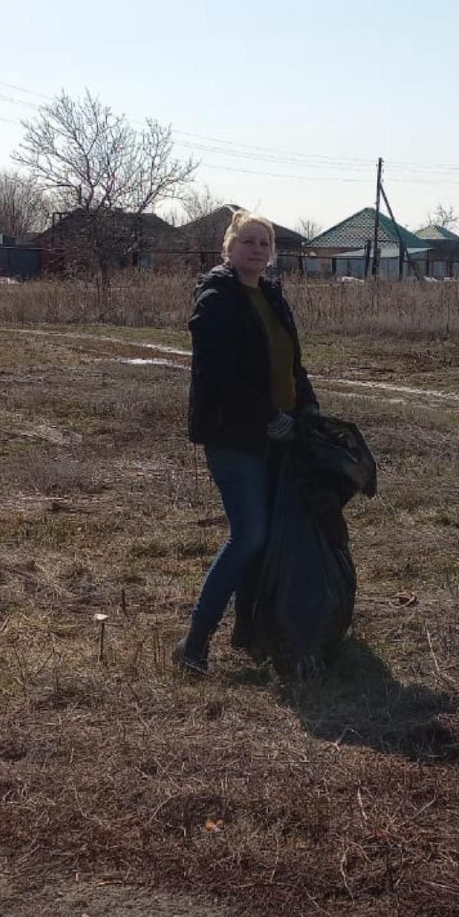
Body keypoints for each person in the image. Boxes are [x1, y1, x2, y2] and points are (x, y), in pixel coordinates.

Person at [172, 211, 318, 677]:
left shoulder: (271, 295)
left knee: (269, 536)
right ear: (229, 247)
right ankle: (194, 642)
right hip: (233, 435)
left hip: (280, 433)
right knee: (249, 535)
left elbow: (292, 363)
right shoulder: (215, 299)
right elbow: (217, 375)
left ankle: (249, 630)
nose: (257, 250)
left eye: (264, 244)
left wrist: (306, 409)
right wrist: (267, 416)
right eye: (248, 242)